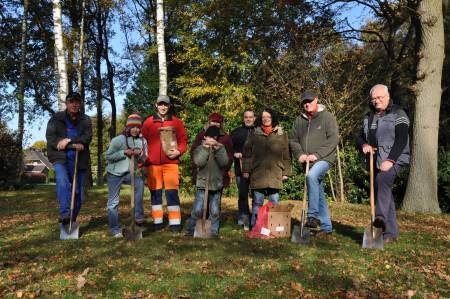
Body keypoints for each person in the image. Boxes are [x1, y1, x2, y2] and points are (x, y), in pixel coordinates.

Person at [356, 84, 410, 243]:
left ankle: (379, 218)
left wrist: (391, 160)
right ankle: (391, 234)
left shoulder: (398, 113)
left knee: (382, 181)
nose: (376, 101)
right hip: (376, 160)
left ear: (388, 96)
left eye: (380, 98)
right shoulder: (368, 116)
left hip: (396, 158)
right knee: (384, 190)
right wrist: (363, 145)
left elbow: (402, 139)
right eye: (374, 99)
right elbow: (359, 137)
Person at [289, 91, 339, 236]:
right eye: (305, 101)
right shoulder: (299, 120)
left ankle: (312, 216)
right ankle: (326, 227)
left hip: (324, 159)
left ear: (316, 100)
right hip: (307, 161)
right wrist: (300, 154)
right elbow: (293, 140)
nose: (307, 103)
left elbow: (333, 139)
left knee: (311, 177)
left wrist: (317, 155)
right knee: (319, 192)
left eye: (310, 100)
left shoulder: (327, 117)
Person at [141, 95, 188, 233]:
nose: (163, 107)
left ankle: (175, 224)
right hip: (152, 164)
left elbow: (183, 140)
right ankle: (158, 223)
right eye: (160, 104)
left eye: (165, 105)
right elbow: (142, 143)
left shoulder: (177, 122)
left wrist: (179, 151)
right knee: (155, 194)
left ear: (169, 106)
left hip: (171, 163)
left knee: (172, 193)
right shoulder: (148, 122)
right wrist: (142, 164)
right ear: (156, 105)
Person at [46, 92, 92, 225]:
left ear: (81, 104)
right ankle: (65, 213)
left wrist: (69, 140)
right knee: (63, 181)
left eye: (77, 102)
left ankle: (72, 218)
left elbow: (87, 137)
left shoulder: (86, 120)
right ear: (67, 103)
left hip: (79, 158)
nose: (75, 104)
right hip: (60, 157)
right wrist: (60, 143)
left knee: (79, 194)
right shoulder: (56, 118)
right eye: (72, 101)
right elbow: (50, 137)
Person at [242, 108, 291, 227]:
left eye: (268, 117)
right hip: (258, 173)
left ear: (272, 118)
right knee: (257, 202)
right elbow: (247, 153)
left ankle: (273, 227)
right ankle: (256, 227)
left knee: (274, 202)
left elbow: (286, 154)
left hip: (275, 172)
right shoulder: (254, 133)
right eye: (263, 117)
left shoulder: (282, 134)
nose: (265, 119)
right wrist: (246, 170)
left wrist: (286, 172)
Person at [105, 113, 148, 238]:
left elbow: (143, 159)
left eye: (138, 127)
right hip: (114, 173)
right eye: (132, 127)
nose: (135, 129)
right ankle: (115, 229)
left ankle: (138, 217)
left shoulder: (142, 141)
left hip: (130, 172)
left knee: (139, 182)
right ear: (128, 127)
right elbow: (108, 156)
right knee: (113, 202)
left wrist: (139, 155)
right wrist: (124, 152)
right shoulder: (118, 140)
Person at [185, 126, 230, 237]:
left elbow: (224, 162)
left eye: (215, 137)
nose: (212, 139)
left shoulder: (220, 148)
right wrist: (205, 148)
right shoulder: (199, 148)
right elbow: (198, 162)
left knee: (214, 211)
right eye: (210, 137)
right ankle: (191, 230)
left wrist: (218, 149)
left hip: (216, 183)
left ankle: (213, 231)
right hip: (202, 183)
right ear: (205, 137)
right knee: (197, 209)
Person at [190, 112, 234, 190]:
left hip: (218, 177)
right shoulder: (201, 135)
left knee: (215, 201)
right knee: (200, 201)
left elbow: (229, 157)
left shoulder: (225, 138)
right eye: (213, 121)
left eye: (218, 122)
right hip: (202, 176)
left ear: (221, 124)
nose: (215, 124)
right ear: (209, 122)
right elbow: (193, 153)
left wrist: (223, 172)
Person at [230, 109, 256, 228]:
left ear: (254, 118)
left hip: (256, 170)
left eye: (251, 117)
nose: (248, 119)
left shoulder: (258, 132)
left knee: (256, 195)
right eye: (246, 117)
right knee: (243, 195)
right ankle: (243, 218)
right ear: (243, 118)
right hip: (240, 169)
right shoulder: (236, 132)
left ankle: (255, 219)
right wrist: (235, 153)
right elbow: (229, 148)